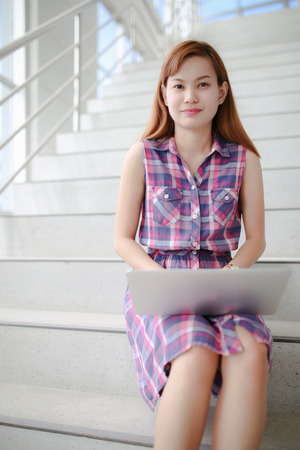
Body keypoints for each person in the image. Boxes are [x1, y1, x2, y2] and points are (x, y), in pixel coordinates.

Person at [114, 40, 272, 450]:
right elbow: (122, 240)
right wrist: (162, 279)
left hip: (224, 280)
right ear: (164, 94)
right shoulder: (143, 155)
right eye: (179, 86)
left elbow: (255, 239)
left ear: (221, 92)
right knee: (195, 350)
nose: (190, 96)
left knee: (251, 351)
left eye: (202, 85)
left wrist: (230, 275)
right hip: (160, 281)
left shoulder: (244, 160)